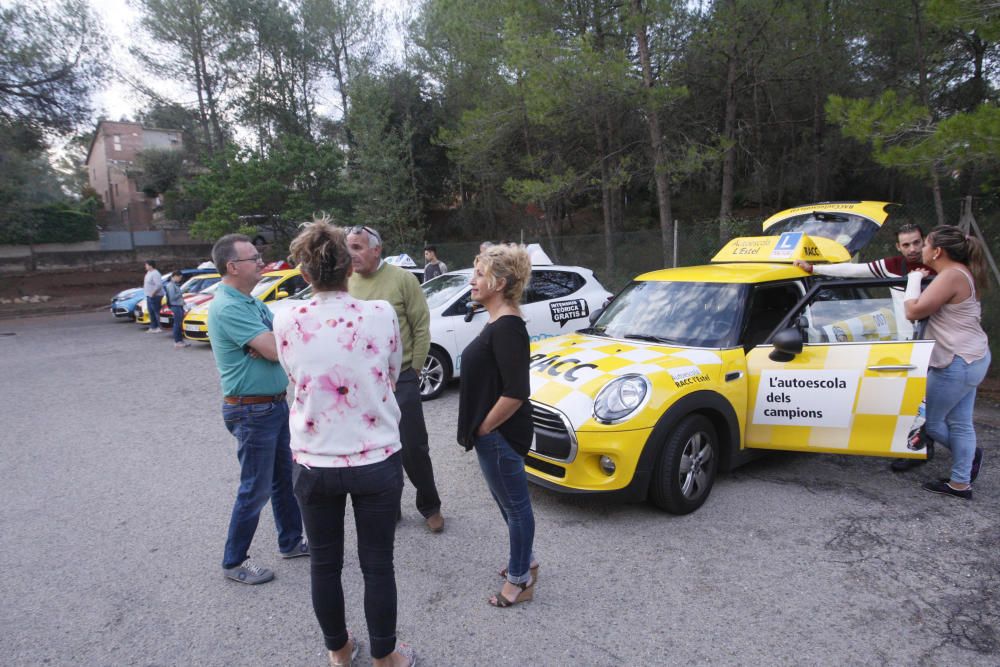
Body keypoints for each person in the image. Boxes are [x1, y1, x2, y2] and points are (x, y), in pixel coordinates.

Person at [275, 219, 416, 667]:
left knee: (324, 564)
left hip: (314, 462)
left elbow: (294, 377)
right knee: (377, 565)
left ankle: (339, 651)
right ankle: (385, 656)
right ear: (348, 267)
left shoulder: (286, 317)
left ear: (304, 272)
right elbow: (391, 375)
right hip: (376, 457)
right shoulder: (379, 314)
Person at [794, 223, 937, 471]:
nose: (912, 249)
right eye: (906, 244)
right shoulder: (894, 266)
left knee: (934, 400)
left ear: (924, 240)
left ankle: (932, 445)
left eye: (916, 242)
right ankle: (915, 448)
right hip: (908, 344)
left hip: (937, 342)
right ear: (898, 247)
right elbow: (853, 270)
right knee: (913, 399)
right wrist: (814, 268)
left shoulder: (938, 265)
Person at [208, 233, 308, 585]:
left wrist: (271, 341)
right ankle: (234, 561)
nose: (261, 261)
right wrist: (269, 343)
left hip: (272, 406)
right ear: (232, 266)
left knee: (284, 480)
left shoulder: (250, 302)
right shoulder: (230, 306)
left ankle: (291, 541)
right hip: (251, 412)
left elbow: (277, 339)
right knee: (255, 488)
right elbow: (273, 348)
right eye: (254, 258)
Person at [347, 225, 445, 534]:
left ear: (376, 249)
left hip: (400, 376)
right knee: (376, 449)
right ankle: (390, 507)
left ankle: (430, 505)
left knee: (413, 446)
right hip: (363, 381)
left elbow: (420, 326)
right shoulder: (344, 282)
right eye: (348, 247)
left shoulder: (402, 279)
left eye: (358, 247)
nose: (352, 253)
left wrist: (415, 368)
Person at [456, 244, 538, 607]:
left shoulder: (507, 327)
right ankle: (526, 562)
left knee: (517, 508)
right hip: (492, 435)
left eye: (479, 274)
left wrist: (486, 427)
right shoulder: (495, 320)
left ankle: (521, 580)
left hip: (501, 434)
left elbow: (517, 391)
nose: (472, 281)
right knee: (507, 505)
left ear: (500, 282)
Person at [903, 226, 990, 500]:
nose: (921, 250)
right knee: (961, 424)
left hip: (957, 363)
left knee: (930, 423)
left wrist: (914, 279)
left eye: (925, 245)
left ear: (937, 251)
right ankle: (961, 482)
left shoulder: (951, 275)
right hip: (974, 358)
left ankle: (967, 460)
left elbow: (913, 311)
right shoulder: (962, 272)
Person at [163, 271, 190, 348]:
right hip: (176, 306)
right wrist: (182, 292)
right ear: (175, 276)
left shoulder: (174, 284)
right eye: (180, 278)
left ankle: (180, 341)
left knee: (178, 324)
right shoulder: (171, 285)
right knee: (177, 324)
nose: (180, 279)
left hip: (179, 306)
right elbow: (172, 297)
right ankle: (177, 341)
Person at [143, 260, 164, 333]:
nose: (145, 266)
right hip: (149, 296)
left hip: (156, 296)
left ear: (151, 265)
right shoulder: (148, 273)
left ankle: (159, 327)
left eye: (146, 265)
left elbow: (158, 285)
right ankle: (153, 326)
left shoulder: (155, 273)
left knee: (156, 311)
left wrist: (153, 293)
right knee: (151, 311)